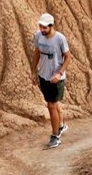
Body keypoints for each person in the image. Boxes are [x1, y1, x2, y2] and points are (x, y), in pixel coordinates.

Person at [27, 12, 71, 149]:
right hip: (44, 75)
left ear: (51, 26)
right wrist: (34, 72)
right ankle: (62, 125)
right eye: (41, 26)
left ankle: (55, 136)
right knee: (52, 102)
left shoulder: (60, 39)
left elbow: (68, 57)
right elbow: (37, 53)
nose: (42, 29)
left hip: (56, 78)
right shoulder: (38, 36)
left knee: (51, 106)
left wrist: (59, 73)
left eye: (45, 27)